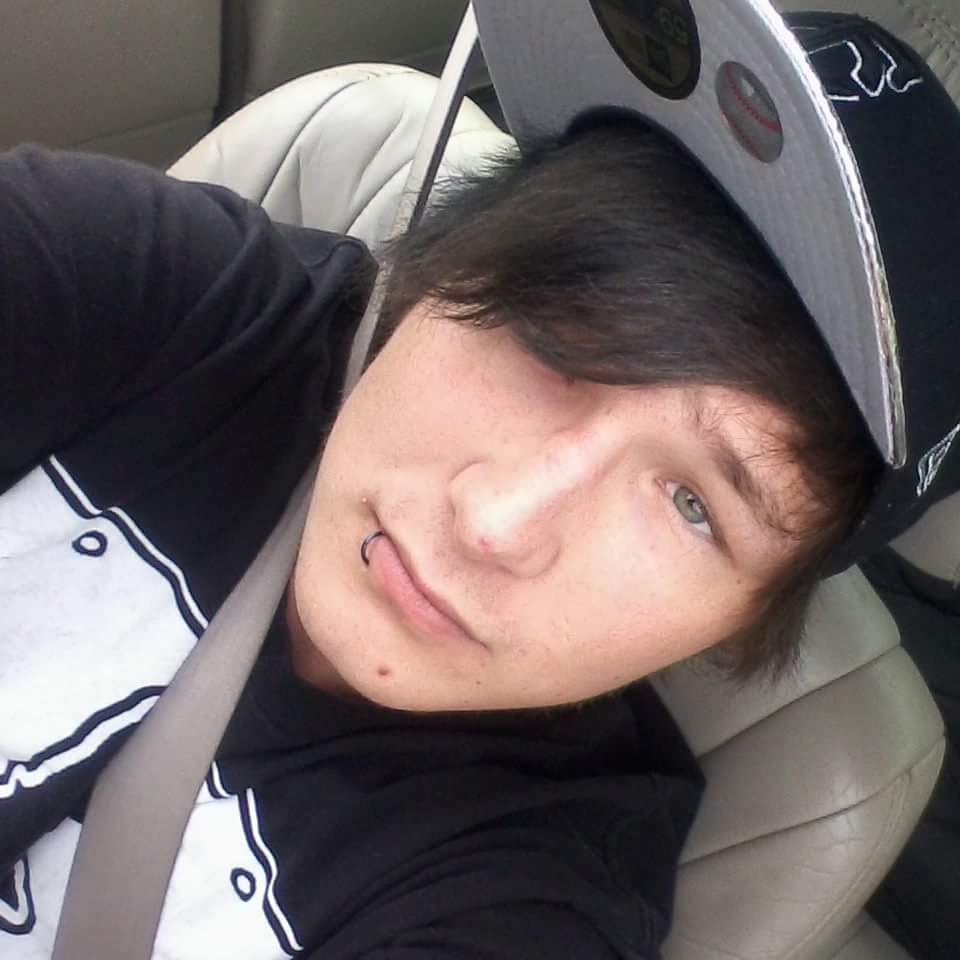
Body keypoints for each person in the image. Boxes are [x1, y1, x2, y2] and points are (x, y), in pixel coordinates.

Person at [2, 4, 960, 959]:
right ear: (443, 271)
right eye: (552, 339)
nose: (496, 523)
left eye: (691, 506)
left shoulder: (522, 893)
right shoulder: (164, 292)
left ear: (741, 623)